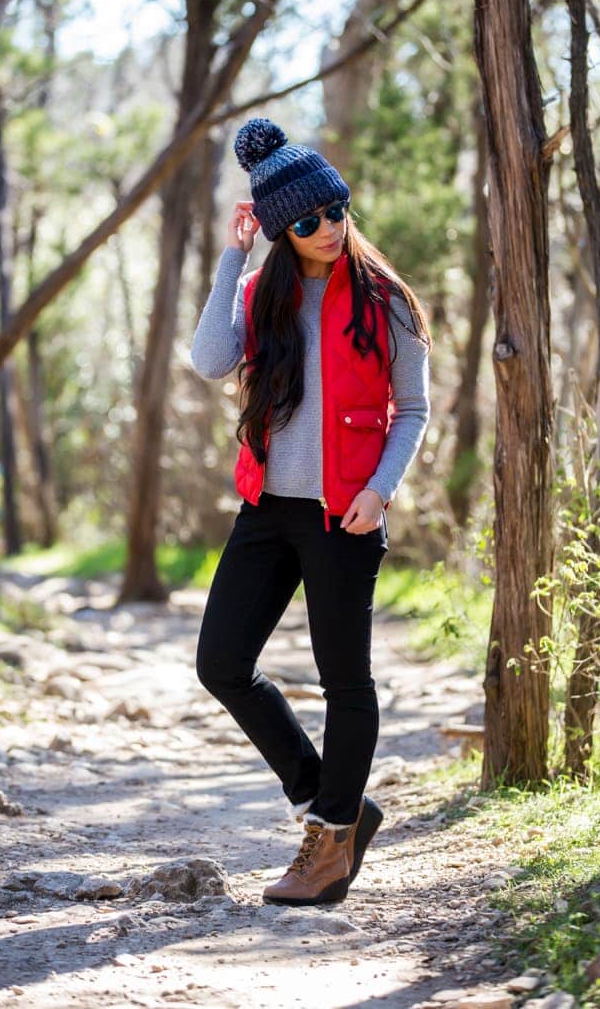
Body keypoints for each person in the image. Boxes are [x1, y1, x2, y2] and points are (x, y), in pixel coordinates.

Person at [190, 117, 431, 906]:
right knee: (221, 661)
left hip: (346, 515)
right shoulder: (263, 294)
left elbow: (414, 409)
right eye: (307, 220)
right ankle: (336, 804)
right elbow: (209, 360)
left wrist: (380, 489)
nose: (328, 229)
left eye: (336, 210)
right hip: (268, 508)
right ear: (278, 228)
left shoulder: (385, 298)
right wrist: (234, 256)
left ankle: (328, 848)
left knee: (344, 679)